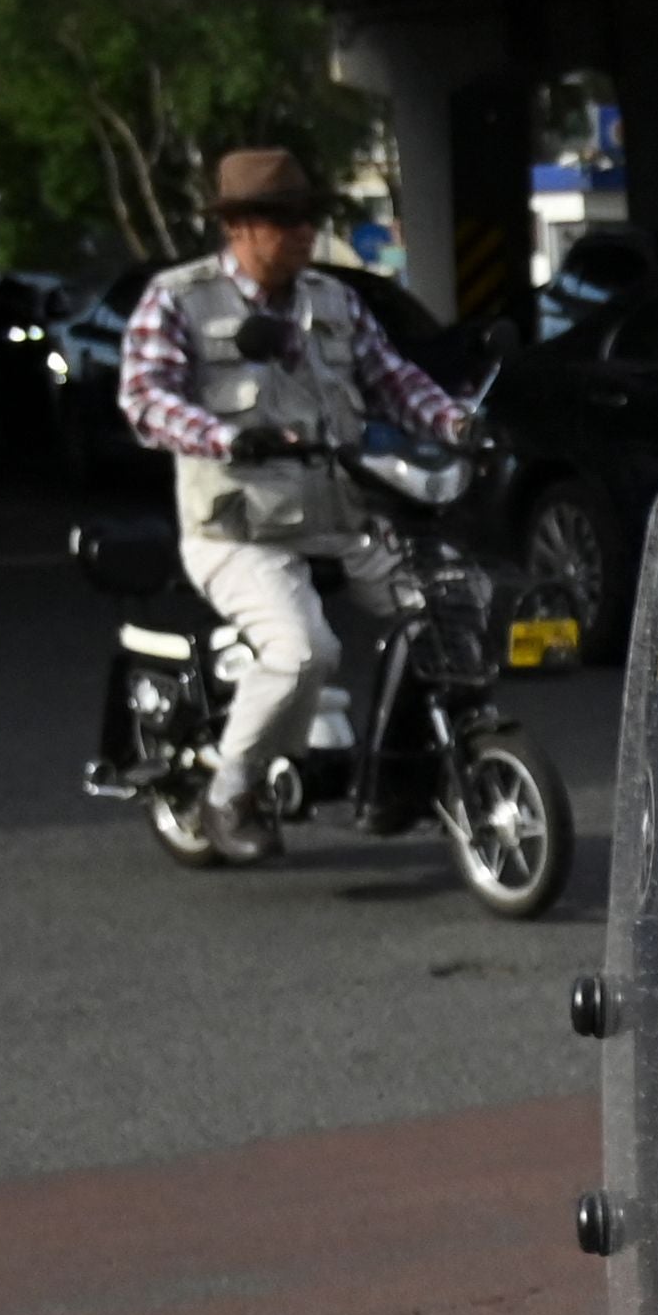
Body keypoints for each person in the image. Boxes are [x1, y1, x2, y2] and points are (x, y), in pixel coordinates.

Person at [115, 146, 475, 863]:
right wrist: (224, 436)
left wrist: (455, 421)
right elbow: (143, 398)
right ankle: (231, 793)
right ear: (239, 227)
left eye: (309, 216)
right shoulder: (178, 298)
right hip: (236, 529)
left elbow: (391, 377)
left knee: (453, 605)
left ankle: (399, 777)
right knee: (305, 651)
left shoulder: (334, 301)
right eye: (283, 219)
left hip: (336, 518)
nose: (302, 231)